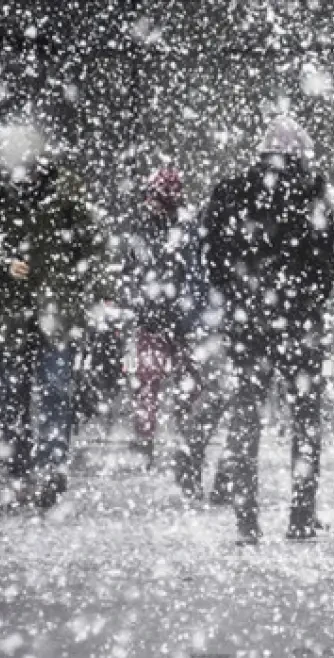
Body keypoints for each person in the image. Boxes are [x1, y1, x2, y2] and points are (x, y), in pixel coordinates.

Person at [200, 116, 334, 543]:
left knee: (246, 416)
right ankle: (301, 514)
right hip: (298, 324)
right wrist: (306, 300)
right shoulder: (312, 194)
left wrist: (239, 298)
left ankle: (247, 520)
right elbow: (325, 261)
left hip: (247, 323)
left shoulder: (230, 191)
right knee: (305, 420)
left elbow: (212, 256)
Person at [0, 122, 108, 508]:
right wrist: (1, 260)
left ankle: (49, 467)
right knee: (15, 392)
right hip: (15, 310)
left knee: (52, 389)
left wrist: (70, 280)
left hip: (51, 309)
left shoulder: (62, 188)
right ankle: (25, 467)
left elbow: (93, 241)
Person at [123, 167, 210, 481]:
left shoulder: (168, 227)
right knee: (156, 382)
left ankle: (162, 439)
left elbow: (134, 270)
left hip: (168, 317)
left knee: (154, 382)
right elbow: (134, 269)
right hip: (165, 317)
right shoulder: (178, 226)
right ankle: (167, 439)